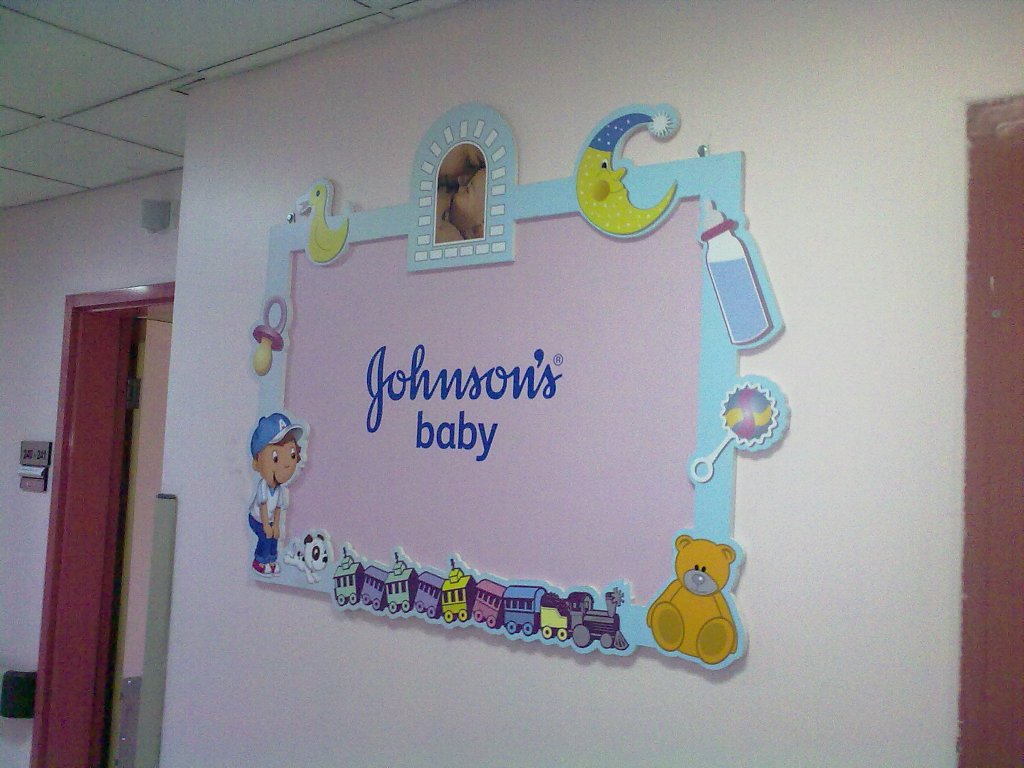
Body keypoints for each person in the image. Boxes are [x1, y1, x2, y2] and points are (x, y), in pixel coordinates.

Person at [248, 413, 304, 576]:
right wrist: (267, 525)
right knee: (265, 537)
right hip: (257, 518)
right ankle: (259, 561)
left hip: (271, 519)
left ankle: (271, 560)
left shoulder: (279, 490)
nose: (286, 464)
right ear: (257, 463)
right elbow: (263, 507)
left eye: (292, 454)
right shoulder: (263, 486)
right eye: (275, 458)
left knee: (274, 538)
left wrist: (276, 526)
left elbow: (279, 508)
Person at [435, 143, 485, 242]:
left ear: (479, 231)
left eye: (467, 190)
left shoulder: (451, 237)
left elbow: (435, 228)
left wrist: (442, 201)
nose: (460, 184)